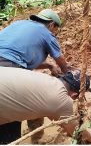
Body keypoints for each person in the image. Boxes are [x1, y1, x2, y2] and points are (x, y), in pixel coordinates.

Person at [0, 9, 71, 142]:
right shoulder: (47, 33)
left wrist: (49, 66)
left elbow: (22, 57)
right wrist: (68, 75)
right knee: (15, 109)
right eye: (56, 30)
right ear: (51, 25)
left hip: (8, 65)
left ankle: (35, 137)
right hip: (9, 68)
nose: (55, 33)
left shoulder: (19, 24)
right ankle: (23, 139)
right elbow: (60, 59)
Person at [0, 67, 90, 144]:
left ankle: (36, 140)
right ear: (74, 95)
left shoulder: (45, 79)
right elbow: (78, 133)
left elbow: (40, 110)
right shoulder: (62, 99)